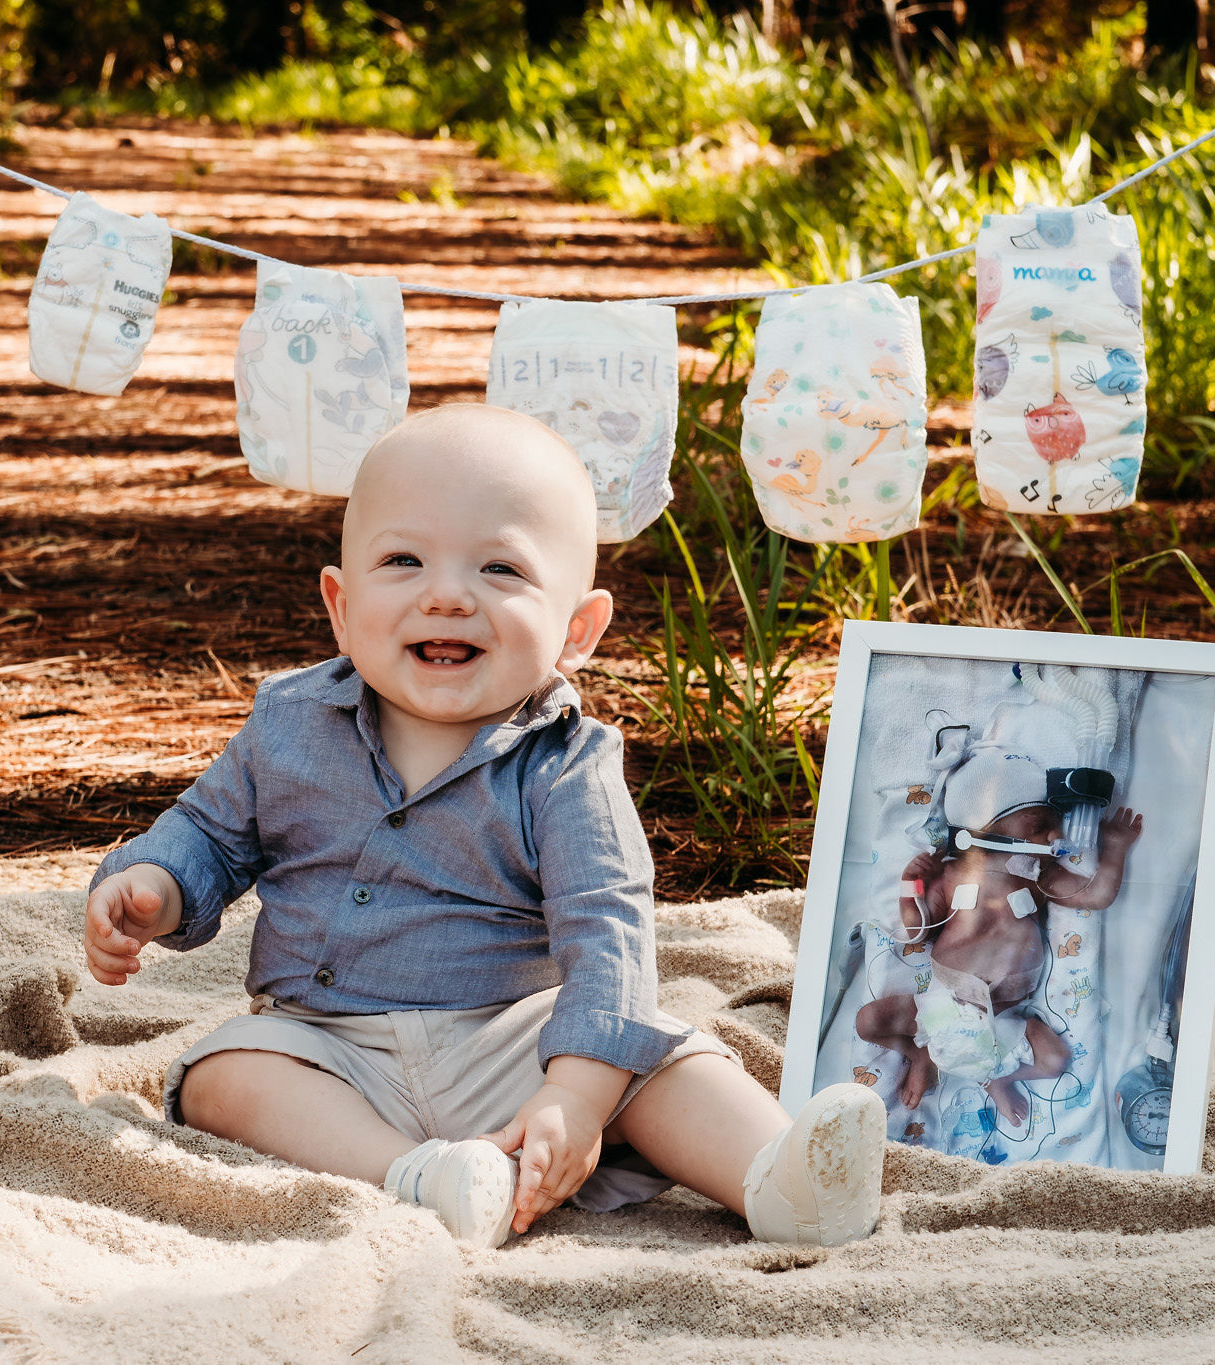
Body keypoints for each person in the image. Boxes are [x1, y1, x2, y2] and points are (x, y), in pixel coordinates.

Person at [82, 403, 884, 1249]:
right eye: (403, 559)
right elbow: (209, 833)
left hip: (517, 1042)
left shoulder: (567, 765)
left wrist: (575, 1092)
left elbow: (607, 933)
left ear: (577, 629)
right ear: (341, 607)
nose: (448, 593)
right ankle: (421, 1176)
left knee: (671, 1059)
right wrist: (156, 885)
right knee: (226, 1074)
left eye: (500, 568)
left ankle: (780, 1179)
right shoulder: (290, 724)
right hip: (331, 1044)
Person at [855, 746, 1143, 1125]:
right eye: (1040, 826)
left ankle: (999, 1078)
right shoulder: (952, 876)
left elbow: (1097, 894)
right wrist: (912, 885)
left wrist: (1116, 848)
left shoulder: (1038, 876)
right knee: (868, 1021)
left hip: (1005, 1017)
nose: (1057, 834)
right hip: (941, 1006)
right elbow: (917, 931)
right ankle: (921, 1054)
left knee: (1055, 1059)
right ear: (985, 829)